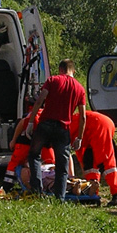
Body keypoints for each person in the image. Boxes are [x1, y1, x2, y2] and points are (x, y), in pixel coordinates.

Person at [26, 59, 86, 201]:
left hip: (45, 124)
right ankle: (60, 197)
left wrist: (30, 121)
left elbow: (40, 100)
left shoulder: (52, 80)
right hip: (63, 129)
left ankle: (37, 191)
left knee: (34, 155)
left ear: (60, 69)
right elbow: (83, 116)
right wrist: (79, 137)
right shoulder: (80, 88)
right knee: (62, 164)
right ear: (74, 71)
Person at [71, 109, 117, 207]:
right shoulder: (66, 127)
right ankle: (92, 193)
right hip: (93, 128)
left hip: (99, 125)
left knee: (104, 161)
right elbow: (80, 152)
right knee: (89, 163)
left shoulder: (63, 130)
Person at [0, 106, 55, 193]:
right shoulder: (37, 116)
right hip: (25, 141)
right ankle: (6, 187)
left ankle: (51, 183)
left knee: (51, 162)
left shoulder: (55, 120)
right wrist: (14, 140)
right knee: (15, 163)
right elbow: (22, 123)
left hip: (43, 141)